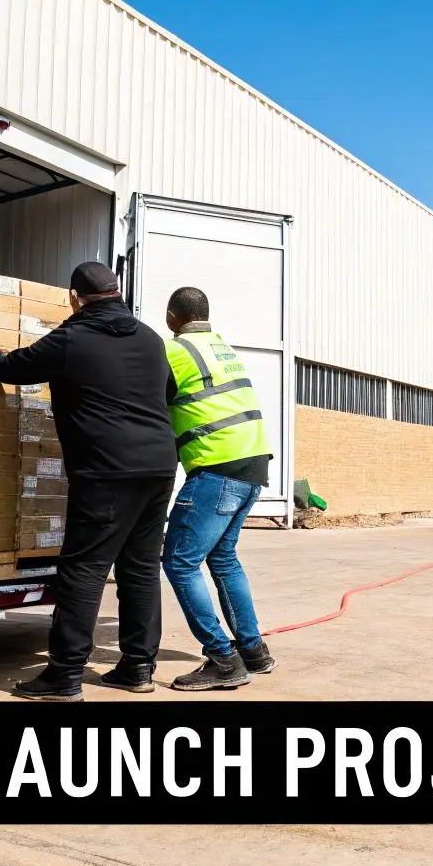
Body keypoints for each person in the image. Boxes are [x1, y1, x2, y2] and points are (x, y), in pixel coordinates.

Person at [0, 262, 178, 702]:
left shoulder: (73, 338)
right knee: (140, 568)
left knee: (83, 569)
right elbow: (169, 393)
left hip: (106, 468)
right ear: (117, 293)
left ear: (73, 296)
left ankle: (63, 674)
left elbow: (19, 367)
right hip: (159, 464)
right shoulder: (150, 339)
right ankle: (137, 667)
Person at [158, 286, 277, 691]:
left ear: (173, 316)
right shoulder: (220, 347)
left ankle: (222, 659)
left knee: (179, 562)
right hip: (252, 464)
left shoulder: (173, 351)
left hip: (216, 467)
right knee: (223, 558)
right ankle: (254, 651)